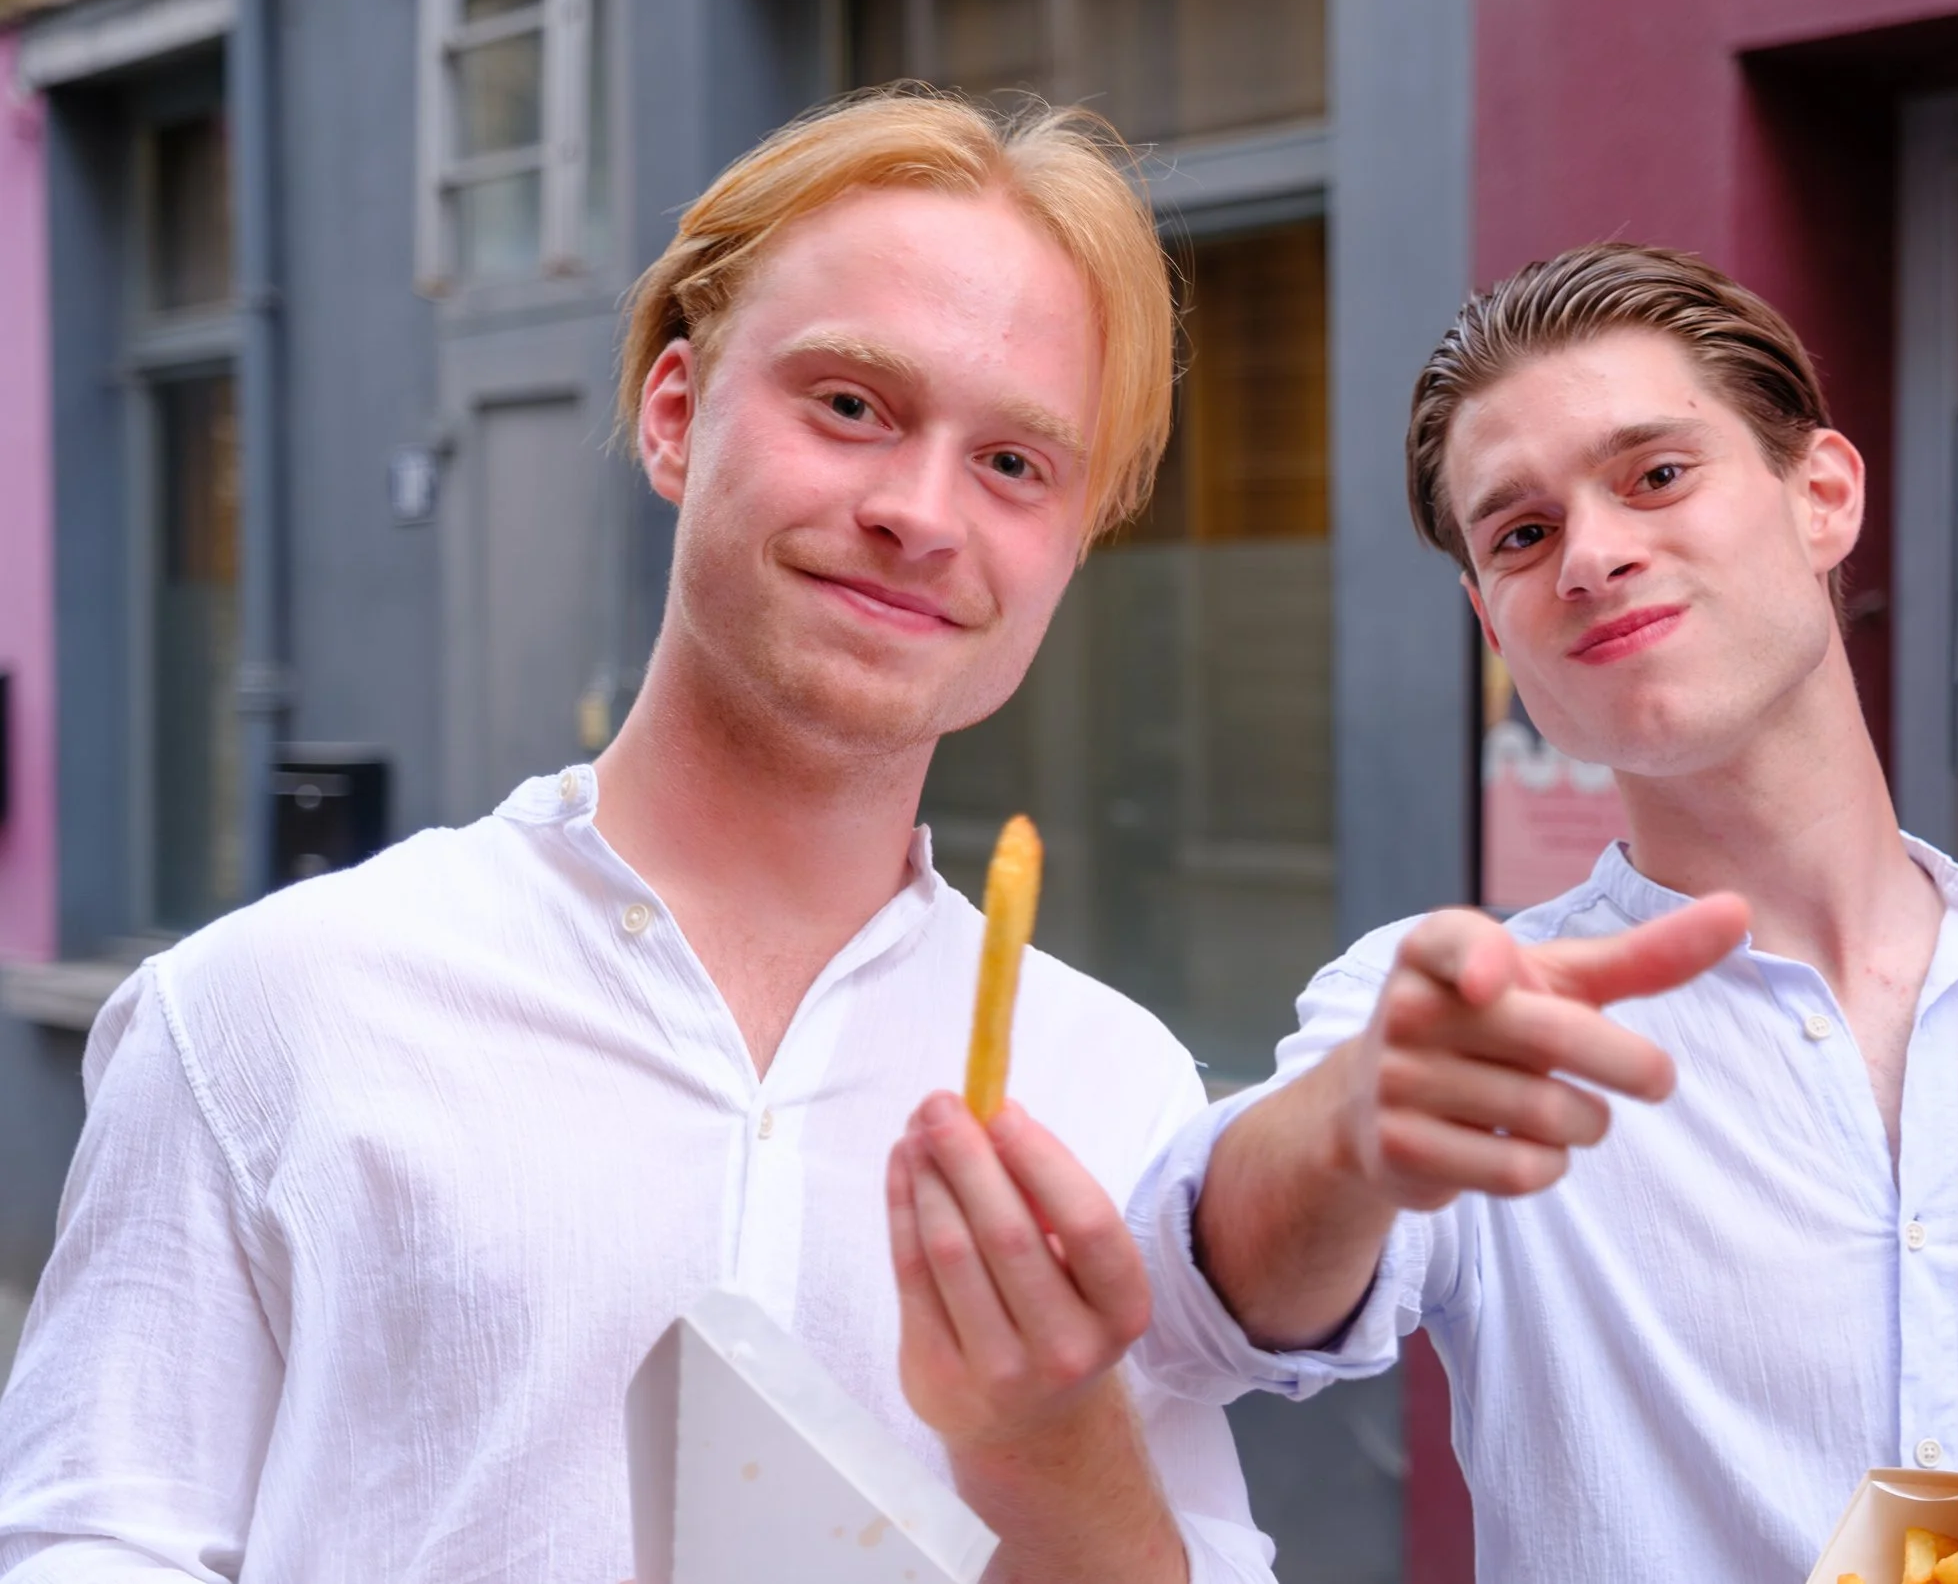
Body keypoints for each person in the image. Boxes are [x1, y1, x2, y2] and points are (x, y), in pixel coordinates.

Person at [0, 92, 1273, 1583]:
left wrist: (1057, 1448)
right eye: (851, 405)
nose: (923, 513)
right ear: (676, 414)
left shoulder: (1115, 1091)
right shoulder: (264, 1012)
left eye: (1014, 465)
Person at [1125, 243, 1958, 1584]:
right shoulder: (1472, 1024)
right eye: (1523, 534)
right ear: (1497, 626)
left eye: (1656, 475)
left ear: (1824, 495)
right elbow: (1193, 1319)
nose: (1591, 554)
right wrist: (1343, 1138)